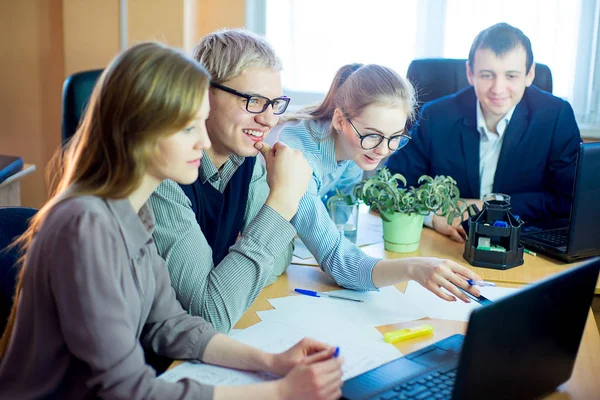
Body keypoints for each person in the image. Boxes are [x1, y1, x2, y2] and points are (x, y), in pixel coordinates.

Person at [0, 42, 343, 400]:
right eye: (187, 129)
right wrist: (278, 393)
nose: (204, 140)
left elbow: (168, 323)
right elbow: (128, 390)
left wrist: (271, 361)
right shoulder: (85, 225)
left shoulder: (133, 211)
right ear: (139, 132)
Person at [151, 28, 484, 335]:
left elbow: (279, 257)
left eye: (274, 104)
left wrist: (233, 266)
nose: (268, 119)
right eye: (252, 100)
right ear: (202, 94)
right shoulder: (172, 174)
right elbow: (212, 312)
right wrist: (280, 205)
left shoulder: (250, 160)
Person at [386, 22, 582, 243]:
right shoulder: (436, 116)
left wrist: (489, 206)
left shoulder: (555, 116)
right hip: (447, 244)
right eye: (487, 75)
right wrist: (431, 217)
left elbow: (571, 200)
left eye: (511, 76)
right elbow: (390, 186)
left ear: (530, 74)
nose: (498, 89)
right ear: (470, 73)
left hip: (522, 246)